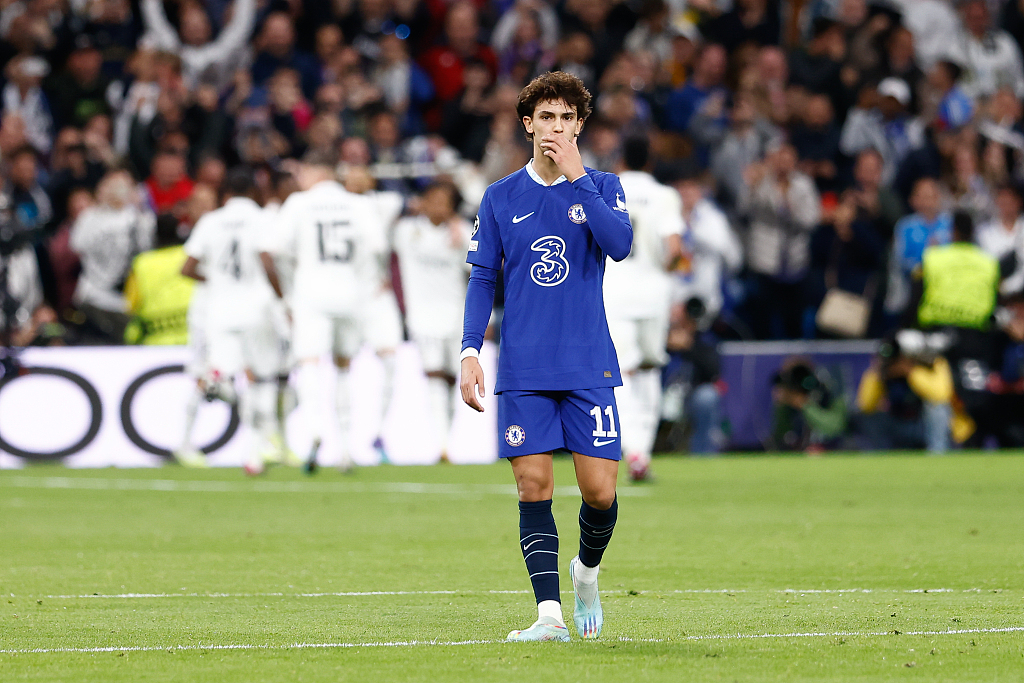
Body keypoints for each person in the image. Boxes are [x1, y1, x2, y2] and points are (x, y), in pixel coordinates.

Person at [460, 72, 632, 642]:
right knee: (533, 486)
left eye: (567, 118)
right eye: (547, 117)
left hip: (588, 363)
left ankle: (586, 572)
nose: (556, 127)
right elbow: (483, 278)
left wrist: (578, 176)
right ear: (527, 122)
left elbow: (620, 246)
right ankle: (548, 615)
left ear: (579, 126)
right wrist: (469, 350)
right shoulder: (500, 196)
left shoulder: (603, 185)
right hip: (524, 368)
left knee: (600, 493)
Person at [260, 154, 384, 474]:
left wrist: (287, 294)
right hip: (350, 294)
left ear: (315, 171)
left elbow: (272, 250)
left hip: (311, 295)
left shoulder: (299, 203)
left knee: (310, 365)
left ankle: (315, 431)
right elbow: (378, 247)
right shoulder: (357, 204)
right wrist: (366, 284)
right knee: (344, 367)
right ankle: (345, 449)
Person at [182, 168, 281, 474]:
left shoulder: (211, 221)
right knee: (258, 378)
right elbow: (267, 259)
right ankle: (255, 453)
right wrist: (281, 294)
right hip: (255, 311)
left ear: (225, 195)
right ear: (254, 192)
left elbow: (187, 268)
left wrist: (214, 279)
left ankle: (185, 442)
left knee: (209, 374)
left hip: (218, 312)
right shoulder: (263, 218)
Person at [605, 136, 681, 481]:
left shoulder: (605, 188)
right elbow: (674, 249)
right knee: (650, 370)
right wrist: (665, 270)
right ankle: (643, 453)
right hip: (653, 294)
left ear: (622, 160)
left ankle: (631, 449)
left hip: (614, 294)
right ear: (650, 163)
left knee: (621, 373)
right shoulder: (665, 195)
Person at [394, 180, 472, 461]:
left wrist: (459, 230)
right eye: (433, 199)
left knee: (453, 380)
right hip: (422, 317)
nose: (438, 205)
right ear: (423, 201)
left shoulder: (461, 233)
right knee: (434, 375)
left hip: (456, 316)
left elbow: (485, 268)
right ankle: (441, 444)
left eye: (444, 201)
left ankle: (447, 441)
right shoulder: (406, 231)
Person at [855, 329, 954, 453]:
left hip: (921, 425)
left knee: (938, 409)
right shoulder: (885, 370)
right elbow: (865, 405)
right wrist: (877, 374)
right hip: (897, 423)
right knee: (869, 416)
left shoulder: (933, 362)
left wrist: (911, 372)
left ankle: (938, 453)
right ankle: (878, 455)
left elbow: (941, 396)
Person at [123, 214, 194, 346]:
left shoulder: (141, 263)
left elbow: (131, 304)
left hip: (156, 340)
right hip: (192, 336)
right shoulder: (190, 258)